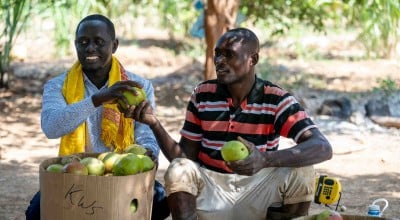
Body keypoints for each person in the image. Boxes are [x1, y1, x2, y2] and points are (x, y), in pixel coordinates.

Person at [129, 27, 333, 220]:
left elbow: (322, 147)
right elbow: (185, 158)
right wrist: (154, 123)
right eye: (217, 54)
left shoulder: (276, 99)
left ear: (253, 59)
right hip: (211, 192)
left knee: (303, 171)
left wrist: (265, 159)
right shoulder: (203, 95)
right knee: (179, 169)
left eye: (229, 55)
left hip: (258, 192)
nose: (219, 61)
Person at [25, 14, 170, 220]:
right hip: (74, 174)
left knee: (161, 201)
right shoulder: (58, 85)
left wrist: (147, 152)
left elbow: (145, 136)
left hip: (121, 174)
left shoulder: (138, 86)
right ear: (75, 45)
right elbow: (51, 127)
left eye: (98, 42)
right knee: (36, 212)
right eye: (83, 42)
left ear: (115, 45)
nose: (90, 48)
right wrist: (97, 100)